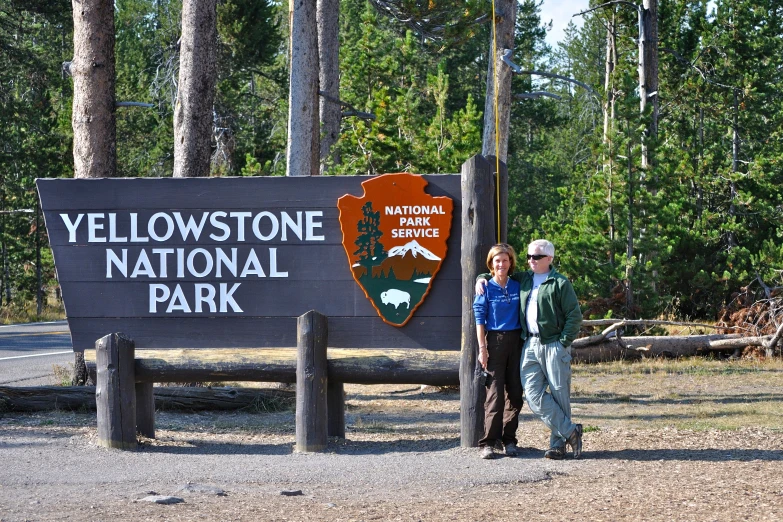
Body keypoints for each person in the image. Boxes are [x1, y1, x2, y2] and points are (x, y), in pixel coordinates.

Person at [477, 239, 583, 459]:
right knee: (532, 394)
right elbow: (498, 272)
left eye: (537, 257)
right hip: (529, 343)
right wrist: (481, 277)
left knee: (558, 394)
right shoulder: (524, 278)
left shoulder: (560, 283)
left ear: (549, 259)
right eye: (529, 257)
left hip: (552, 343)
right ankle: (571, 431)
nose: (531, 260)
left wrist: (563, 341)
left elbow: (574, 315)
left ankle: (557, 445)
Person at [472, 243, 524, 459]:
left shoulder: (519, 285)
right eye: (497, 261)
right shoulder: (486, 287)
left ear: (510, 262)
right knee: (494, 394)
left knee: (514, 393)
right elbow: (479, 319)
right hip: (494, 341)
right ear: (491, 264)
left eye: (505, 260)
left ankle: (510, 440)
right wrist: (482, 349)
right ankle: (488, 443)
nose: (501, 264)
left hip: (517, 340)